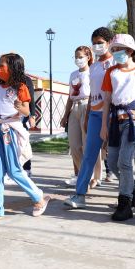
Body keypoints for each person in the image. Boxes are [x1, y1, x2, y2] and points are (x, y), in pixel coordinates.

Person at [0, 53, 50, 222]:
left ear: (13, 68)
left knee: (13, 170)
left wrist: (20, 107)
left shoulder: (21, 87)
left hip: (10, 130)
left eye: (2, 65)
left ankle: (38, 197)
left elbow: (27, 111)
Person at [100, 34, 135, 221]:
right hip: (115, 120)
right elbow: (106, 100)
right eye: (113, 49)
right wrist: (104, 125)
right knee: (112, 161)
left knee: (125, 161)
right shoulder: (111, 72)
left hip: (134, 119)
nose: (115, 53)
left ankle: (125, 203)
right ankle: (134, 191)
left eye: (118, 49)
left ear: (129, 51)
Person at [64, 27, 115, 209]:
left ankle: (127, 194)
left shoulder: (116, 62)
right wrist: (88, 117)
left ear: (110, 42)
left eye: (100, 42)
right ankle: (80, 194)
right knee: (88, 154)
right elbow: (93, 91)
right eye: (94, 43)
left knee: (116, 157)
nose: (97, 46)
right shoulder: (93, 67)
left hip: (113, 114)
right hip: (94, 113)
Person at [60, 46, 92, 186]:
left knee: (87, 145)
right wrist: (65, 115)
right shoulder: (73, 74)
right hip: (75, 107)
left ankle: (89, 176)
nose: (78, 59)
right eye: (76, 57)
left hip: (88, 106)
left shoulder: (92, 72)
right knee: (74, 145)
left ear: (88, 57)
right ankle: (80, 174)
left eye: (81, 57)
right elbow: (70, 96)